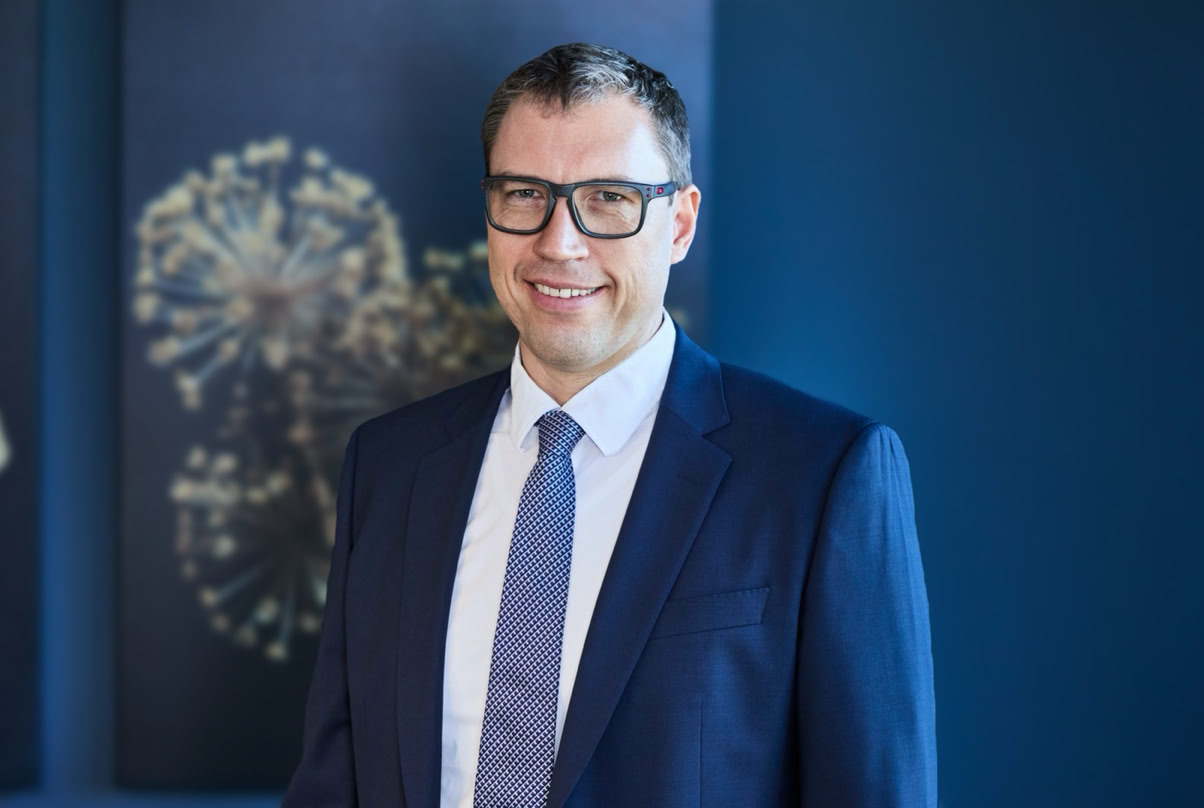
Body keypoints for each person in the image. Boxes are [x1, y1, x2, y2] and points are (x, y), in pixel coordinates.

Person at [282, 43, 936, 808]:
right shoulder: (389, 465)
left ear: (680, 223)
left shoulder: (822, 475)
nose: (558, 243)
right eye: (524, 193)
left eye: (609, 198)